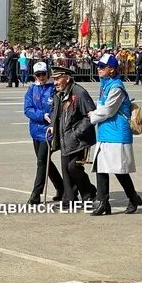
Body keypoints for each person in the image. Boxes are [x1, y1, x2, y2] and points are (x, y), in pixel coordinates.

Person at [88, 54, 142, 216]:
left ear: (112, 70)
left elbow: (108, 110)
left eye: (102, 67)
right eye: (98, 66)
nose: (98, 69)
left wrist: (92, 116)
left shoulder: (116, 87)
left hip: (117, 133)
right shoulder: (105, 85)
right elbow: (102, 107)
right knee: (101, 168)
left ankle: (132, 197)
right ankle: (103, 202)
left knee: (119, 170)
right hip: (106, 131)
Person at [50, 66, 97, 208]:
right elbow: (55, 112)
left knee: (73, 168)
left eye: (58, 78)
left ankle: (89, 193)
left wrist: (76, 133)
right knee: (65, 168)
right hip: (64, 138)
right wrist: (52, 125)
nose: (55, 82)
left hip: (79, 140)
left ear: (67, 78)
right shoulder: (59, 93)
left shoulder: (79, 93)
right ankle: (69, 199)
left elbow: (90, 116)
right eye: (54, 79)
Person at [24, 62, 63, 204]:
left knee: (42, 161)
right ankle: (61, 187)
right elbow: (27, 109)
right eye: (38, 74)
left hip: (49, 131)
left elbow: (57, 107)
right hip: (36, 130)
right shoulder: (31, 89)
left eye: (43, 74)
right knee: (46, 162)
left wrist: (50, 117)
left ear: (48, 74)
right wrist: (41, 115)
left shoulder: (53, 89)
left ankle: (36, 194)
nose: (41, 77)